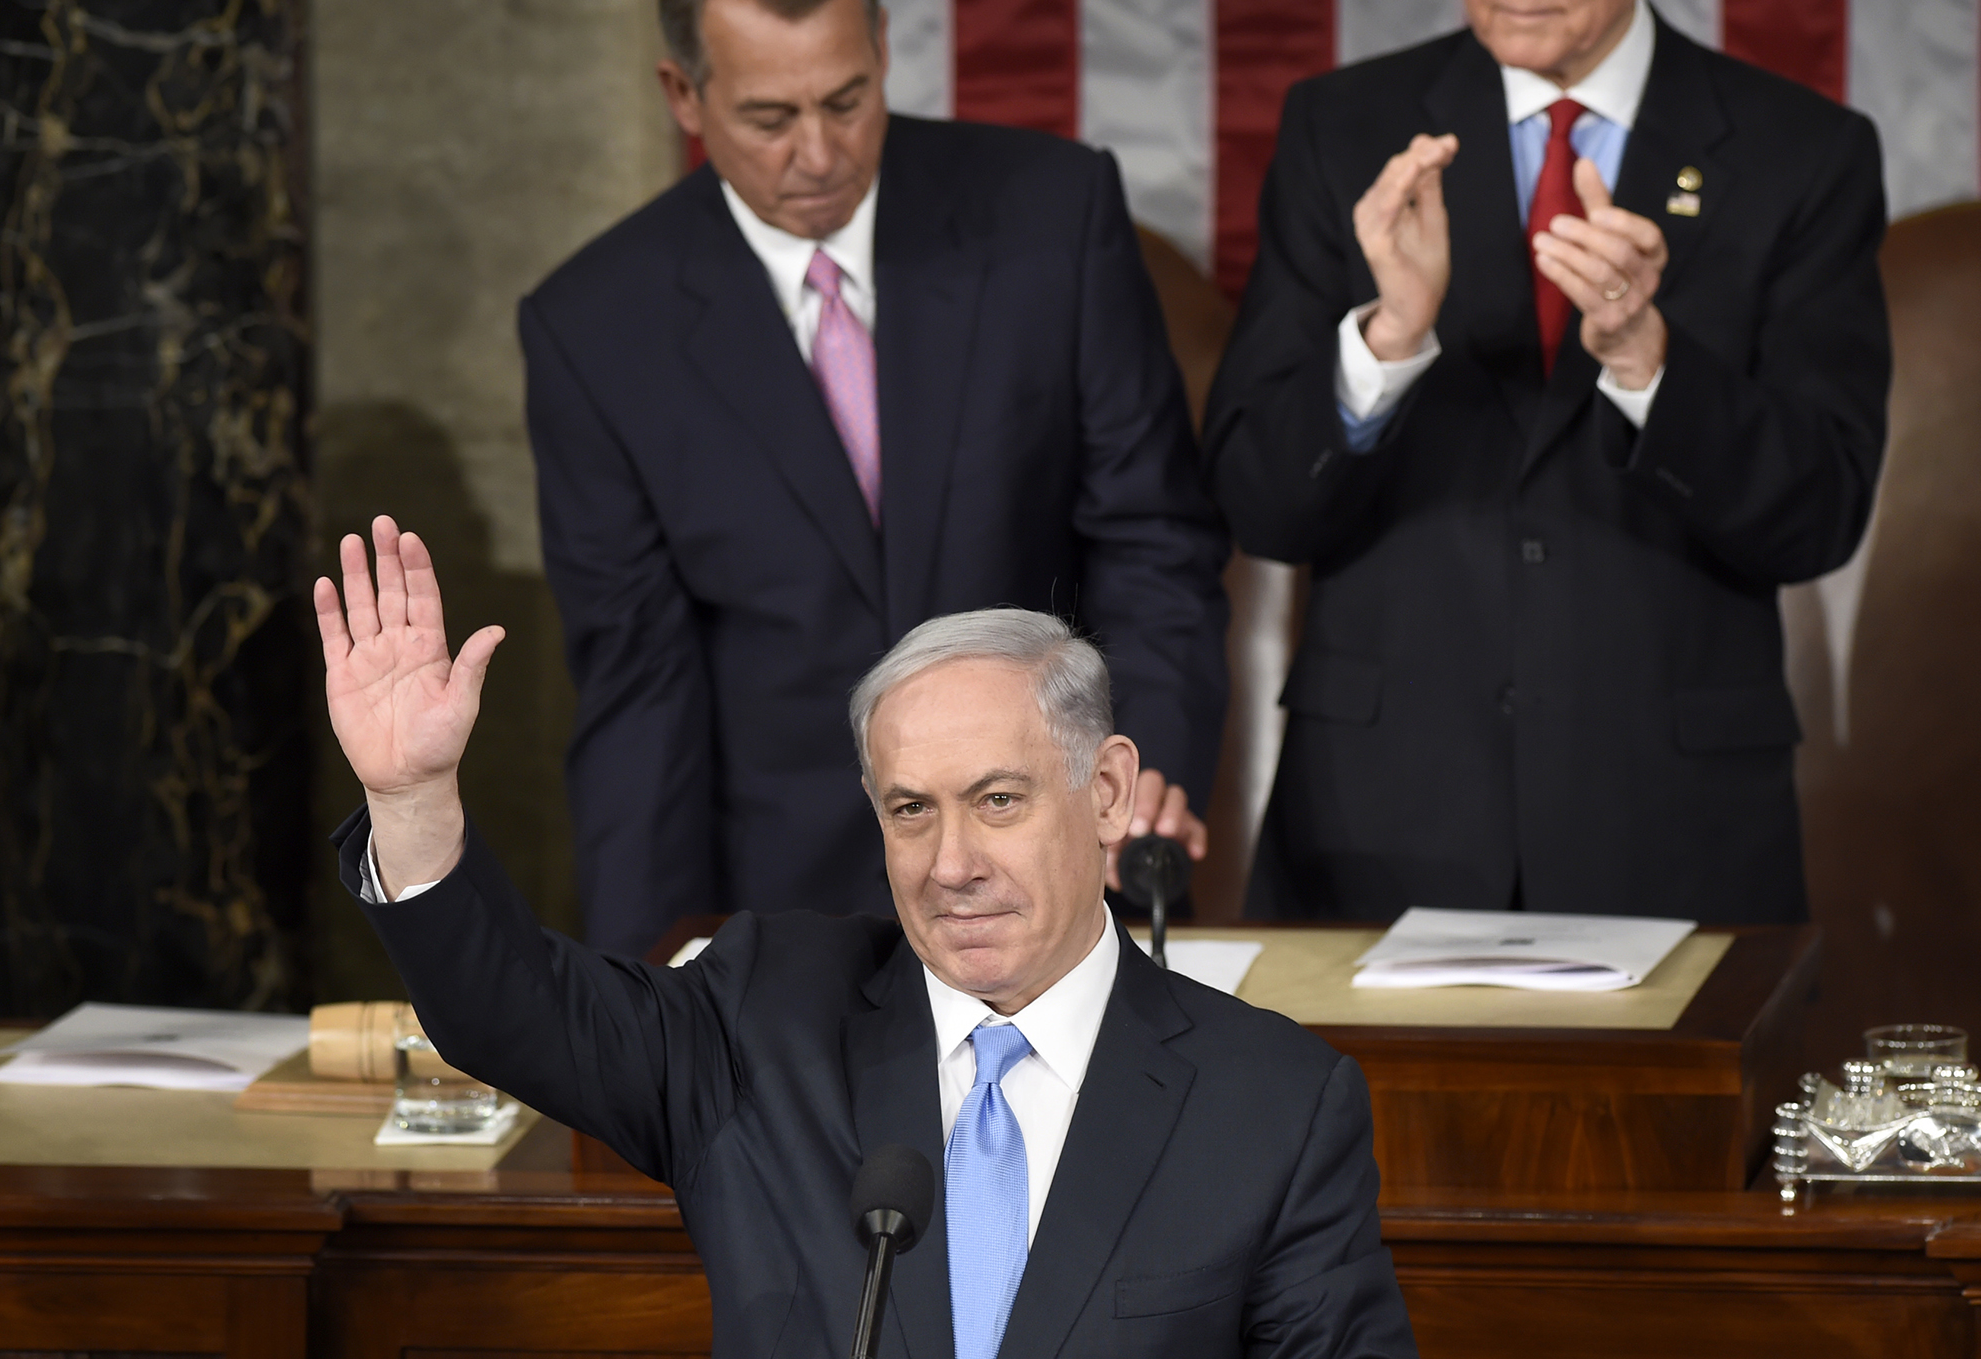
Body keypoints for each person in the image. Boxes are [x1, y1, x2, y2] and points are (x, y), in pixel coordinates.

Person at [313, 516, 1417, 1358]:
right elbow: (513, 1011)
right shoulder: (763, 1016)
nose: (949, 862)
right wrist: (413, 797)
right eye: (909, 808)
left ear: (1108, 789)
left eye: (995, 799)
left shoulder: (1272, 1101)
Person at [1203, 0, 1889, 925]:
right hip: (1378, 828)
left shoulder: (1798, 156)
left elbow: (1818, 513)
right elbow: (1258, 501)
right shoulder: (1342, 129)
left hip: (1671, 834)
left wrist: (1646, 361)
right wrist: (1389, 339)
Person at [521, 0, 1229, 958]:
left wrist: (1133, 780)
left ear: (884, 48)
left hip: (1059, 874)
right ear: (681, 92)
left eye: (847, 100)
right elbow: (638, 694)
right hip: (785, 915)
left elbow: (1153, 545)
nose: (819, 153)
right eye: (769, 117)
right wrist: (645, 988)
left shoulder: (1051, 217)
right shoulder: (596, 330)